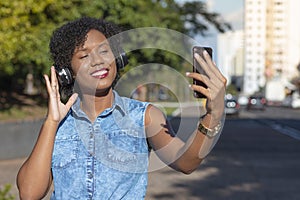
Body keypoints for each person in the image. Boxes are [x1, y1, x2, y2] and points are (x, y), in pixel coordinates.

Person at [16, 17, 226, 200]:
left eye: (104, 51)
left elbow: (187, 162)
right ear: (66, 72)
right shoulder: (58, 124)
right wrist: (51, 123)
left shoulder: (144, 117)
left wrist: (213, 115)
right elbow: (29, 193)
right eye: (84, 55)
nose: (98, 61)